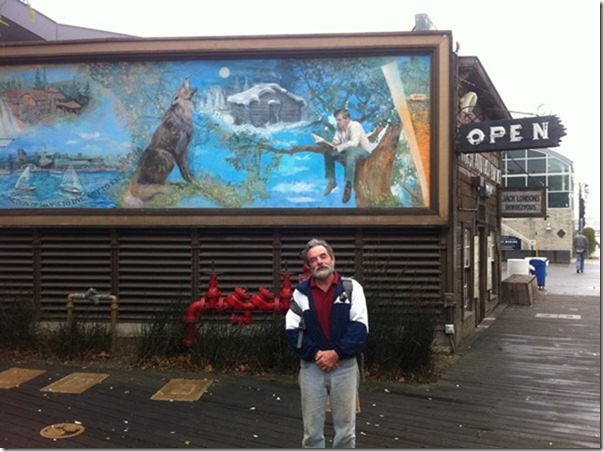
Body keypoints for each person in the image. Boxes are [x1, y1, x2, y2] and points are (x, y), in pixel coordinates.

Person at [285, 238, 369, 448]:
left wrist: (336, 353)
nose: (319, 262)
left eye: (323, 256)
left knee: (346, 431)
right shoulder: (301, 293)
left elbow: (359, 327)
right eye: (313, 260)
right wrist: (316, 354)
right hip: (312, 368)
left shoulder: (351, 288)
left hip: (345, 367)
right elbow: (292, 330)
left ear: (332, 259)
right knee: (311, 432)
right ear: (309, 266)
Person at [322, 109, 373, 204]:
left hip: (363, 153)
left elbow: (354, 143)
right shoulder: (339, 128)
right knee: (327, 153)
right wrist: (330, 146)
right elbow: (335, 141)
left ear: (347, 119)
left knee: (351, 149)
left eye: (339, 120)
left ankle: (349, 184)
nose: (337, 122)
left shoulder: (355, 126)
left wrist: (339, 147)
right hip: (348, 154)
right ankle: (332, 181)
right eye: (336, 120)